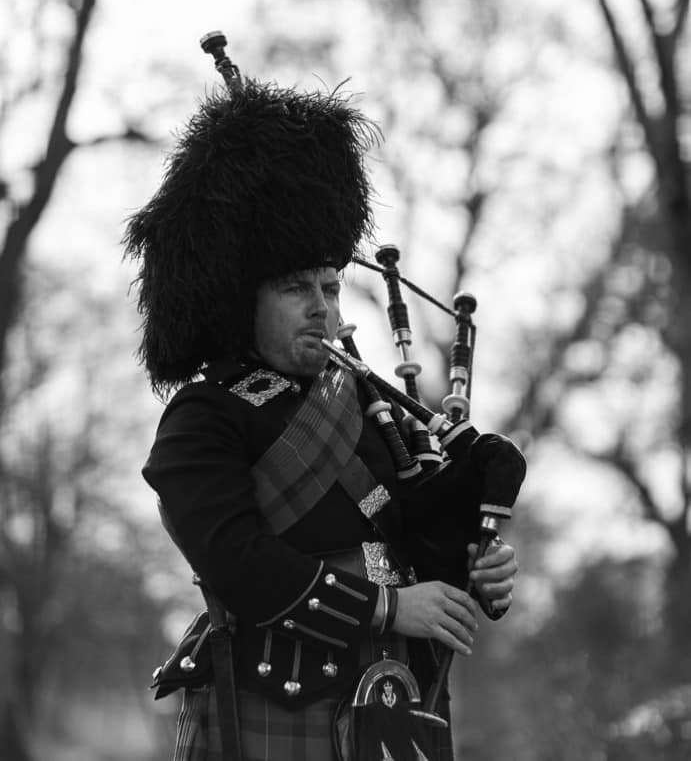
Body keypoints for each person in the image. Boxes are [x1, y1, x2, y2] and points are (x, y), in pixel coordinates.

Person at [124, 75, 524, 761]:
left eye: (330, 286)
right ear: (237, 301)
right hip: (270, 693)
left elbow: (406, 541)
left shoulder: (364, 403)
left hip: (394, 697)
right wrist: (389, 608)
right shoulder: (204, 417)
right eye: (293, 288)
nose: (321, 305)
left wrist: (473, 568)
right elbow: (236, 563)